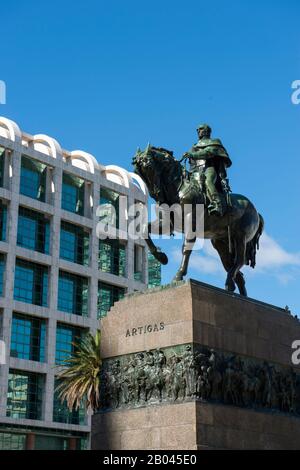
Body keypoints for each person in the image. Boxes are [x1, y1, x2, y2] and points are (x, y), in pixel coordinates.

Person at [182, 124, 232, 216]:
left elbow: (208, 152)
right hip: (196, 171)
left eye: (200, 129)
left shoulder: (214, 142)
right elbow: (192, 162)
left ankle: (217, 203)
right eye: (197, 129)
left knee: (208, 182)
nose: (198, 131)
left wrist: (193, 155)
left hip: (209, 168)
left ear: (206, 131)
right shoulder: (194, 146)